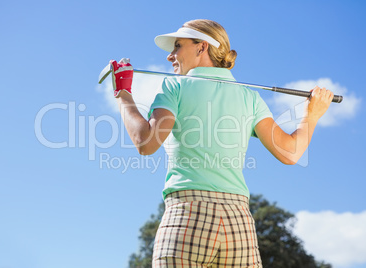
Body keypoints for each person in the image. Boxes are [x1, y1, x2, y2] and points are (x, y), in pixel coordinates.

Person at [110, 19, 333, 268]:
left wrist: (123, 93)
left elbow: (146, 142)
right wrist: (312, 114)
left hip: (187, 217)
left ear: (201, 47)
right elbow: (291, 152)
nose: (170, 56)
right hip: (238, 224)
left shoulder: (175, 86)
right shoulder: (250, 97)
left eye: (177, 47)